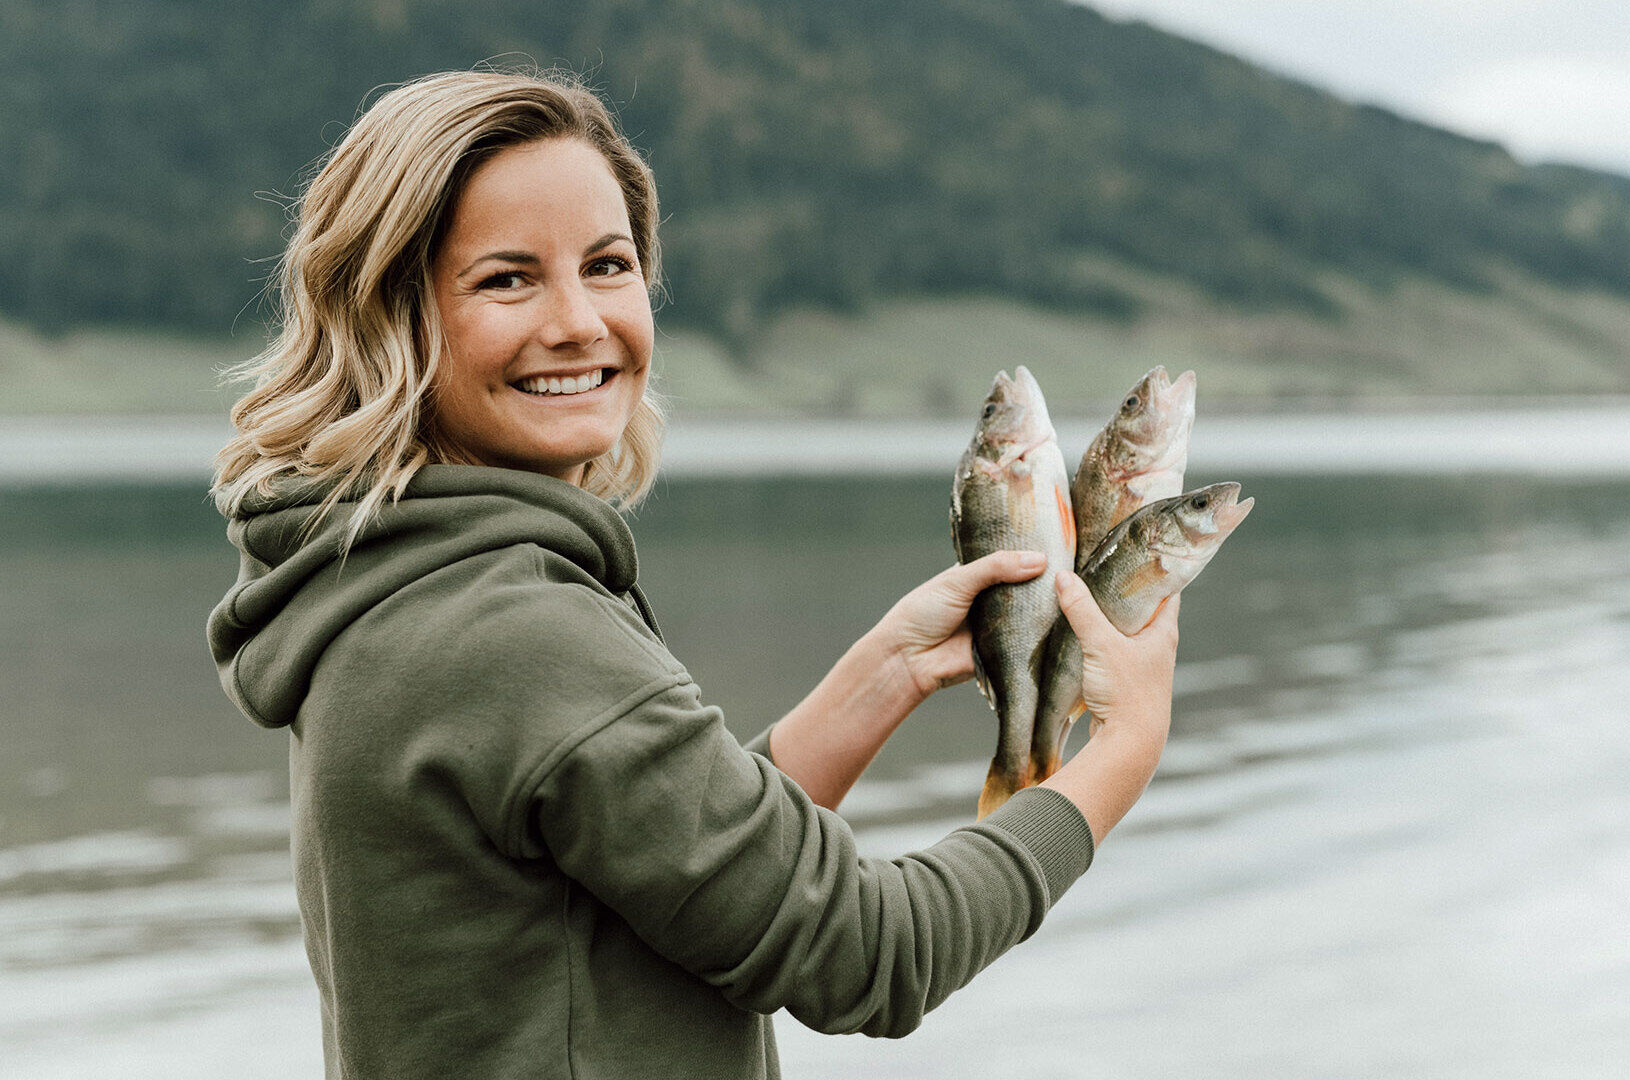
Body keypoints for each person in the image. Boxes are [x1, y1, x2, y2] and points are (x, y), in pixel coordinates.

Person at [207, 68, 1180, 1079]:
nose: (579, 319)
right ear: (391, 319)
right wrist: (1125, 747)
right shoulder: (512, 632)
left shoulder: (395, 585)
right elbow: (873, 955)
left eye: (609, 264)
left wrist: (886, 674)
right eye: (507, 277)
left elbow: (653, 864)